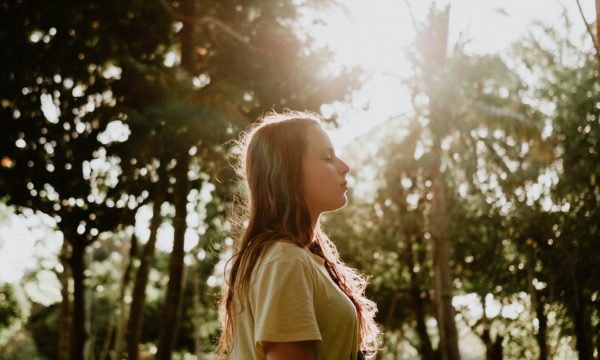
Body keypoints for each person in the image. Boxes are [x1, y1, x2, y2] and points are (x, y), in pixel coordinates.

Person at [216, 111, 379, 359]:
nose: (345, 167)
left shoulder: (297, 258)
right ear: (288, 172)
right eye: (327, 157)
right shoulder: (285, 260)